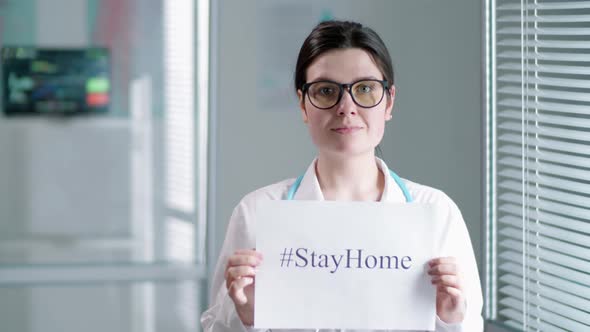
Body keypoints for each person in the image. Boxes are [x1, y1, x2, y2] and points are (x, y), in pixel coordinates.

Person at [201, 20, 483, 332]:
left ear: (388, 102)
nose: (346, 107)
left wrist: (451, 318)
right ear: (303, 105)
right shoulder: (257, 213)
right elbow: (216, 327)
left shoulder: (436, 212)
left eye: (364, 89)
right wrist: (246, 315)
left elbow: (469, 326)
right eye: (325, 91)